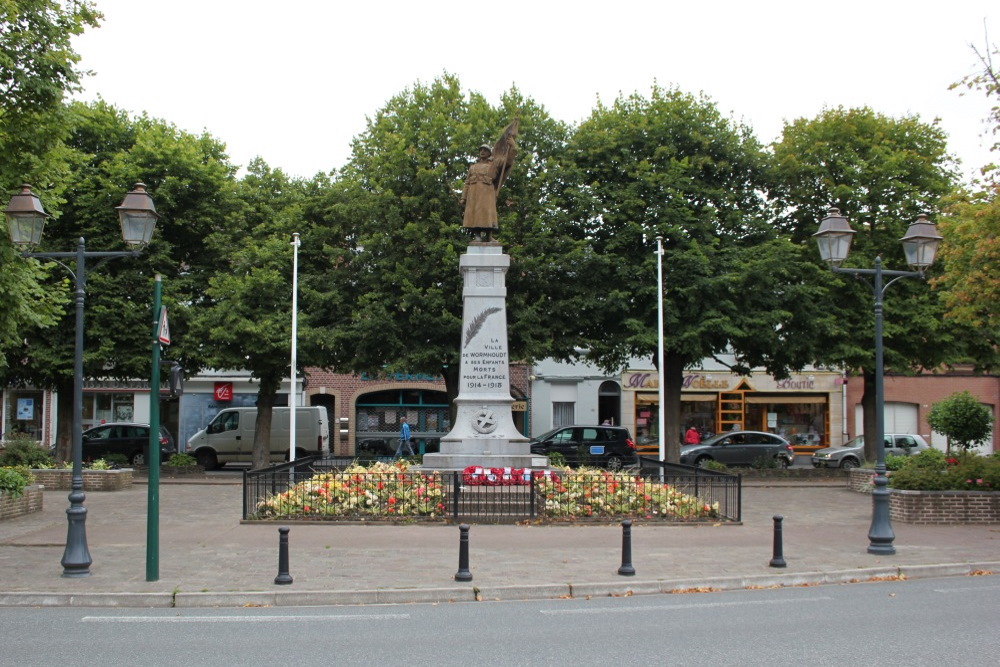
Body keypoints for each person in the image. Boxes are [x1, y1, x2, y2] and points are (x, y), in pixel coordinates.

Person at [459, 120, 518, 240]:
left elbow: (508, 162)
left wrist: (512, 146)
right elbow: (467, 183)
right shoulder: (473, 167)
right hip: (474, 194)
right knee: (475, 214)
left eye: (485, 150)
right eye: (480, 150)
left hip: (487, 193)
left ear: (489, 153)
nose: (482, 152)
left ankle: (489, 236)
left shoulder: (494, 164)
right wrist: (463, 197)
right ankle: (477, 235)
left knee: (488, 214)